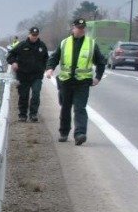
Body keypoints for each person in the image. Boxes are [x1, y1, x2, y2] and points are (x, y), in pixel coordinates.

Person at [44, 18, 105, 146]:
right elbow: (54, 57)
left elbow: (101, 62)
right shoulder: (65, 43)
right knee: (65, 108)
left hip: (82, 82)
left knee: (80, 108)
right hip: (66, 81)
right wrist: (50, 69)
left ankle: (80, 134)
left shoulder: (91, 44)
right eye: (78, 27)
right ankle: (64, 132)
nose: (80, 30)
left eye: (83, 28)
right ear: (73, 28)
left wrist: (98, 77)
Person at [7, 27, 48, 122]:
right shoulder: (22, 45)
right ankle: (22, 115)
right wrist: (14, 63)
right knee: (23, 95)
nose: (34, 37)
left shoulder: (42, 46)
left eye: (36, 35)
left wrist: (45, 68)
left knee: (36, 94)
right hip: (23, 75)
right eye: (33, 35)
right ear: (29, 34)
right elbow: (10, 55)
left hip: (37, 76)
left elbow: (46, 58)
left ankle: (33, 114)